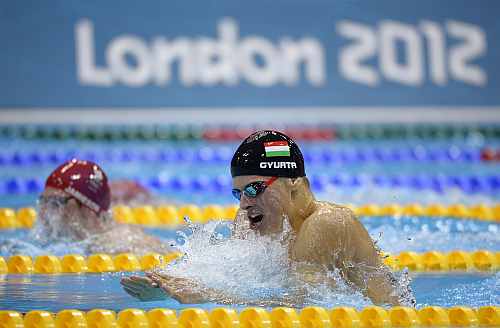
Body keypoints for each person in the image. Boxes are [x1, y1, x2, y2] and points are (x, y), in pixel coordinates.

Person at [121, 130, 414, 306]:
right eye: (239, 193)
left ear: (297, 188)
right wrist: (169, 290)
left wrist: (207, 295)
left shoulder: (326, 223)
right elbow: (236, 277)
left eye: (255, 188)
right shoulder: (256, 222)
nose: (245, 204)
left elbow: (299, 305)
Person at [34, 158, 172, 255]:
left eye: (55, 202)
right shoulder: (52, 243)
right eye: (43, 201)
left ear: (87, 208)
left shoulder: (124, 244)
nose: (43, 211)